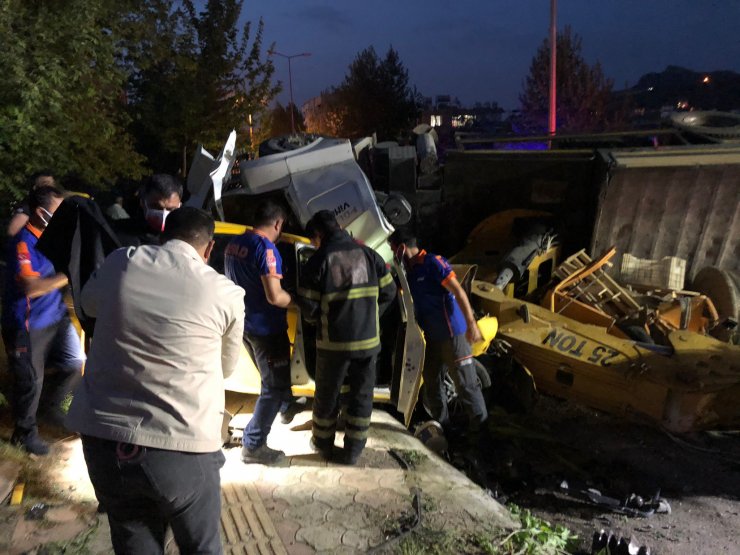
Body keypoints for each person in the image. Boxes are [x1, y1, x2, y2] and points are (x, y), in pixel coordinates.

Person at [65, 207, 244, 554]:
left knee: (134, 542)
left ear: (162, 235)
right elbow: (227, 368)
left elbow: (89, 303)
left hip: (105, 443)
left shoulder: (123, 262)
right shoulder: (226, 293)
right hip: (182, 447)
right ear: (209, 248)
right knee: (201, 547)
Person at [298, 210, 396, 465]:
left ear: (318, 235)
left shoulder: (319, 260)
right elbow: (389, 292)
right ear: (339, 226)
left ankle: (323, 445)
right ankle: (353, 451)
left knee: (328, 396)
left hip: (334, 345)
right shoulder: (369, 255)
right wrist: (369, 313)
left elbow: (308, 309)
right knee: (362, 396)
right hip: (368, 343)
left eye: (313, 240)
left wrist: (324, 319)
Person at [1, 185, 85, 455]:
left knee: (75, 363)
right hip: (27, 324)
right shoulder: (23, 243)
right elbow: (31, 287)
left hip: (56, 317)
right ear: (40, 212)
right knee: (29, 380)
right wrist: (67, 275)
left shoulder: (53, 238)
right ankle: (24, 434)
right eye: (57, 211)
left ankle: (55, 409)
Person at [388, 228, 488, 450]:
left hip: (453, 334)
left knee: (465, 385)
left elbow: (458, 291)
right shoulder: (410, 272)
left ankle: (480, 436)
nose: (393, 255)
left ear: (403, 248)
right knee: (431, 380)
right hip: (432, 338)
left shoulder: (434, 263)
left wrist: (471, 324)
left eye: (393, 250)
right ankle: (443, 425)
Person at [224, 199, 300, 465]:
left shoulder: (234, 244)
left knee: (272, 378)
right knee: (273, 386)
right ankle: (254, 445)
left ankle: (285, 405)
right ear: (278, 223)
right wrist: (300, 302)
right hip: (267, 329)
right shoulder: (267, 250)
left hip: (244, 325)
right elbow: (275, 296)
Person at [111, 173, 182, 246]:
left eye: (170, 209)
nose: (163, 214)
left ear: (179, 206)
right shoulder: (117, 234)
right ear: (142, 203)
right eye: (156, 207)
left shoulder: (184, 239)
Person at [6, 170, 57, 237]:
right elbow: (11, 233)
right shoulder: (27, 208)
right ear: (35, 187)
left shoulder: (52, 205)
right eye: (46, 183)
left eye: (52, 184)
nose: (50, 187)